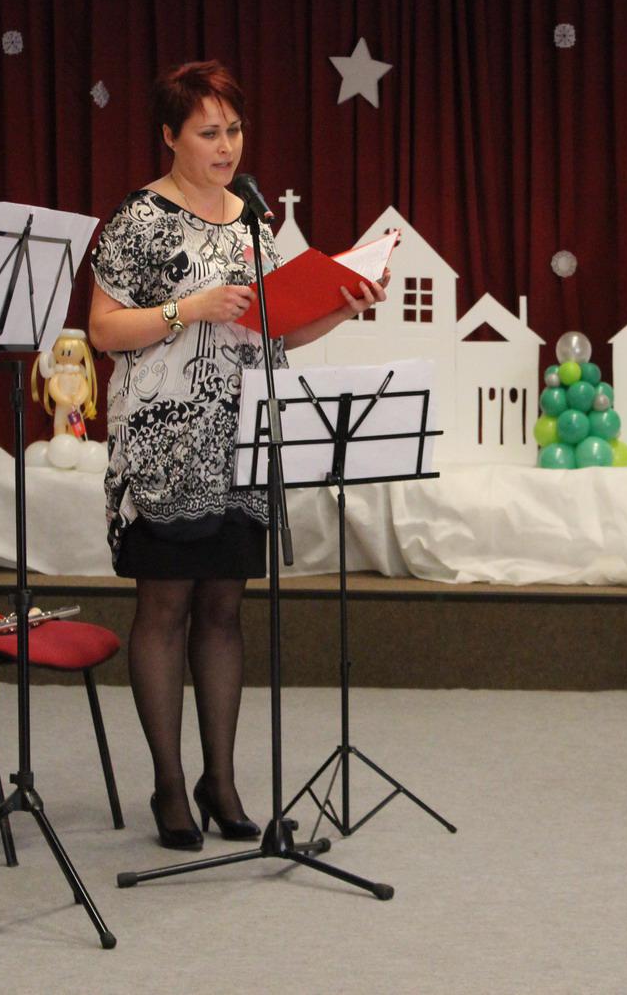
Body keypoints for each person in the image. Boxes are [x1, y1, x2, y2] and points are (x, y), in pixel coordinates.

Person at [88, 60, 387, 850]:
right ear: (170, 136)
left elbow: (275, 327)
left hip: (244, 440)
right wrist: (187, 308)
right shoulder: (138, 219)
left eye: (235, 130)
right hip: (163, 445)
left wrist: (342, 308)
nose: (226, 147)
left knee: (224, 610)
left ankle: (219, 781)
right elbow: (103, 330)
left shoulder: (254, 217)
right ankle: (169, 786)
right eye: (208, 133)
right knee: (166, 609)